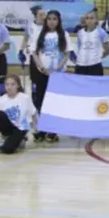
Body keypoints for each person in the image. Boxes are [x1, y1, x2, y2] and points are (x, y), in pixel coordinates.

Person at [33, 10, 69, 142]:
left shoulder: (64, 34)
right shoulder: (40, 35)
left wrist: (57, 69)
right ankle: (42, 129)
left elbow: (66, 54)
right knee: (41, 101)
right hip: (42, 73)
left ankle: (53, 130)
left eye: (54, 19)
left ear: (58, 21)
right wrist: (42, 67)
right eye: (49, 19)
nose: (51, 21)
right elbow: (35, 53)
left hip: (57, 75)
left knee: (54, 102)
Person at [0, 75, 36, 154]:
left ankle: (15, 141)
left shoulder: (25, 98)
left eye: (12, 84)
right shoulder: (1, 101)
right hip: (9, 127)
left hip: (21, 127)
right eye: (7, 84)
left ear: (18, 86)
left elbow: (33, 113)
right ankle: (10, 139)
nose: (9, 87)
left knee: (8, 149)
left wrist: (36, 129)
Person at [71, 10, 109, 76]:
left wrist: (98, 57)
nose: (89, 20)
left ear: (96, 20)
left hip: (95, 66)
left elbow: (107, 50)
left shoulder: (101, 32)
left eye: (92, 18)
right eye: (87, 18)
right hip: (80, 65)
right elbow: (80, 48)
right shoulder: (80, 33)